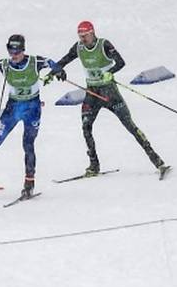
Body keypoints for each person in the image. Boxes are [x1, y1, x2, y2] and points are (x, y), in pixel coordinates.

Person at [47, 21, 167, 177]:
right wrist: (53, 73)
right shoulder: (79, 47)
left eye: (85, 36)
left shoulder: (103, 45)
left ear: (92, 33)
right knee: (86, 126)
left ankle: (158, 161)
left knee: (129, 125)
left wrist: (110, 72)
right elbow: (65, 60)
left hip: (109, 92)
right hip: (92, 92)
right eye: (80, 36)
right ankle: (94, 165)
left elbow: (121, 62)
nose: (83, 39)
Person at [0, 34, 57, 198]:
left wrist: (58, 69)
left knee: (28, 143)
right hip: (13, 107)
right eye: (10, 50)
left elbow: (50, 62)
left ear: (23, 49)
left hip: (32, 108)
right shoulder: (3, 65)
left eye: (16, 51)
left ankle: (29, 182)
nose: (13, 55)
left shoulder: (35, 62)